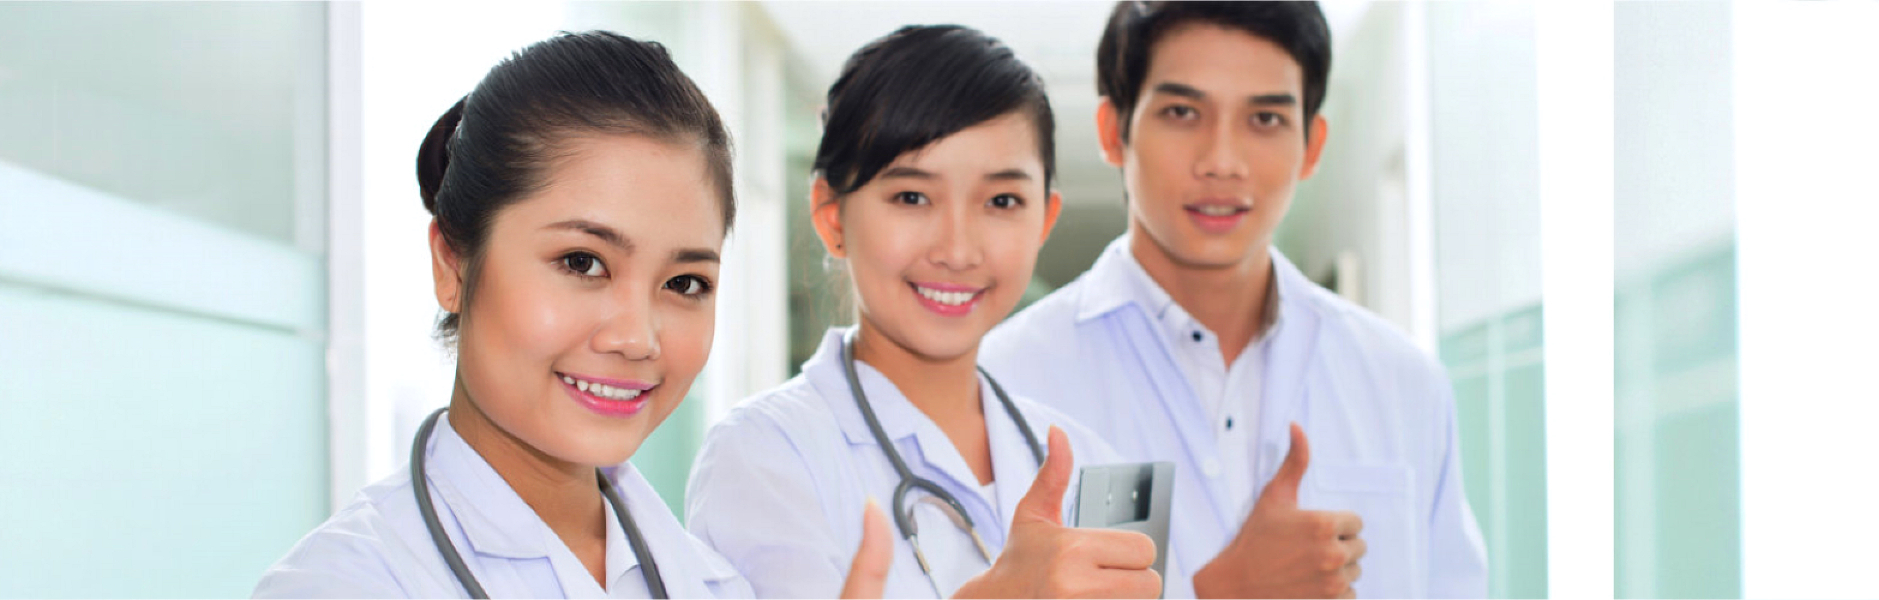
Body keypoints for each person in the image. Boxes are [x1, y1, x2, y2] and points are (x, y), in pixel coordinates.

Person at [253, 31, 892, 599]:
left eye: (684, 282)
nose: (638, 338)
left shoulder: (708, 580)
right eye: (582, 263)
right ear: (452, 264)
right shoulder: (340, 585)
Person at [979, 2, 1489, 598]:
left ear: (1313, 144)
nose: (1222, 161)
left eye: (1266, 119)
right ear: (1113, 131)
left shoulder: (1405, 383)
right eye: (1182, 112)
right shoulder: (1006, 381)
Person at [686, 25, 1172, 599]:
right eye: (912, 197)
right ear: (832, 216)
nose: (958, 250)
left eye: (1002, 201)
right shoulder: (763, 460)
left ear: (1044, 219)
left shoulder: (1093, 464)